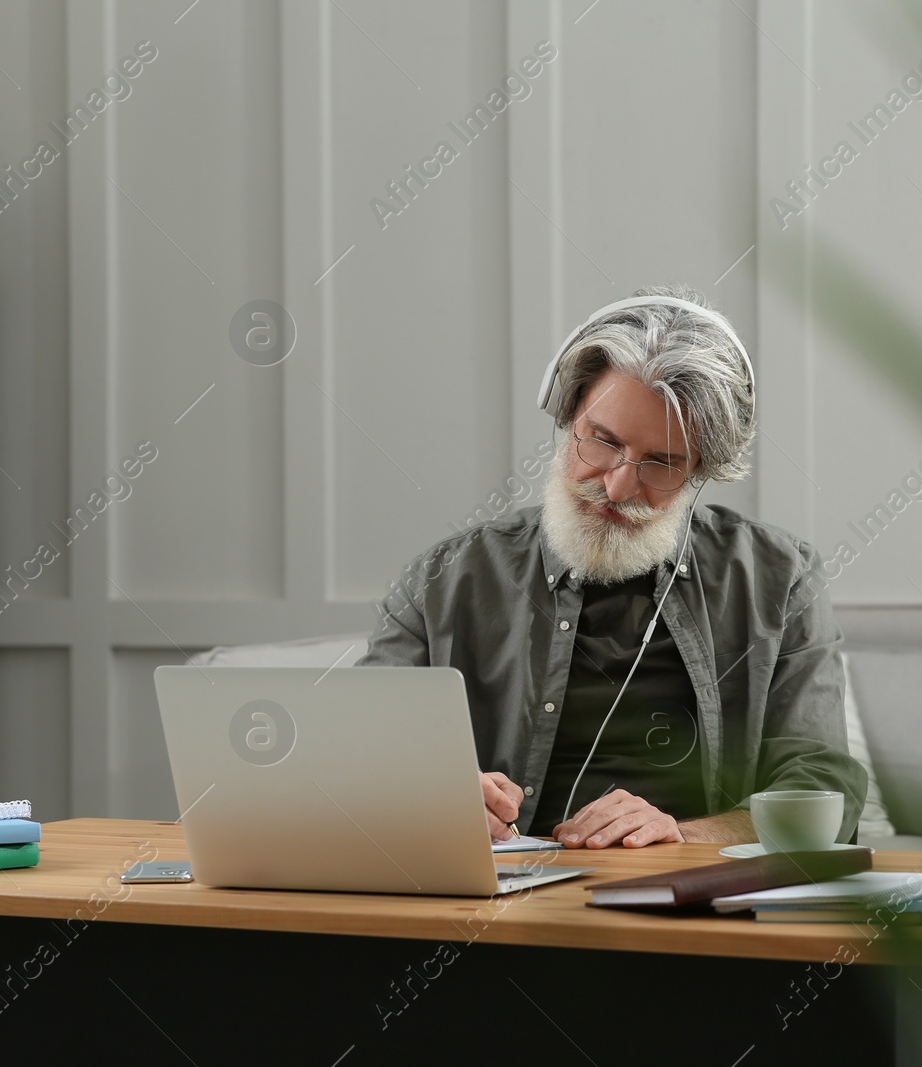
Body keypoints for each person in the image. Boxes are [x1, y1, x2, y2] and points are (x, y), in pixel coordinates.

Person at [356, 285, 865, 848]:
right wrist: (428, 802)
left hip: (687, 907)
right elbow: (353, 762)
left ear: (700, 473)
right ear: (567, 412)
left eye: (663, 463)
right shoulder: (441, 581)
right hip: (495, 901)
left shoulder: (781, 578)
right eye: (601, 441)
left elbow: (824, 789)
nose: (618, 485)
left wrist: (687, 836)